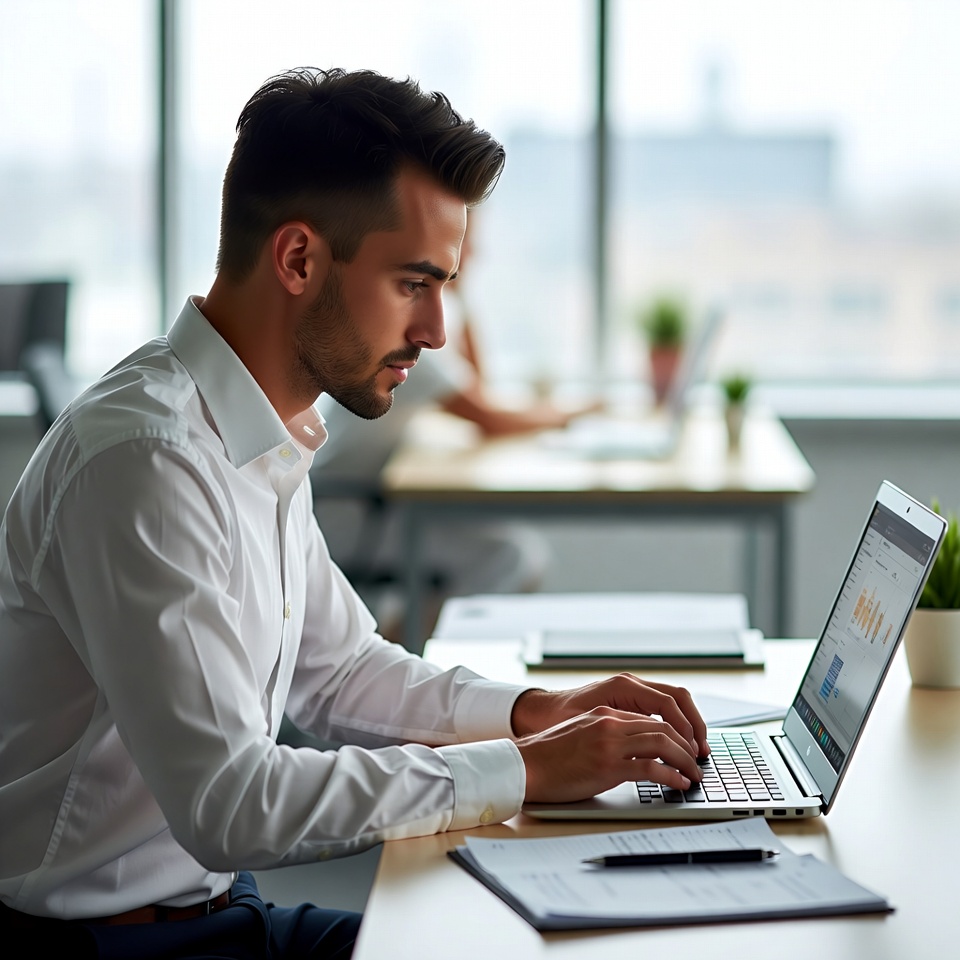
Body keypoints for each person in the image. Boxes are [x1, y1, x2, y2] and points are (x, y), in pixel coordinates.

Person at [0, 68, 707, 958]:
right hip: (111, 944)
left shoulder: (264, 430)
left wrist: (539, 713)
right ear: (299, 259)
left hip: (212, 915)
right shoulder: (148, 460)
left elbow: (343, 678)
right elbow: (231, 803)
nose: (438, 329)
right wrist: (525, 771)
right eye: (414, 282)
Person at [311, 215, 592, 632]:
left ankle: (414, 635)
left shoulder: (415, 327)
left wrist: (458, 295)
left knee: (498, 547)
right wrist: (573, 414)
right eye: (466, 244)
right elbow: (489, 415)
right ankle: (421, 643)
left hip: (363, 502)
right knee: (512, 555)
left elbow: (478, 386)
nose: (476, 254)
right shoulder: (409, 341)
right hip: (347, 514)